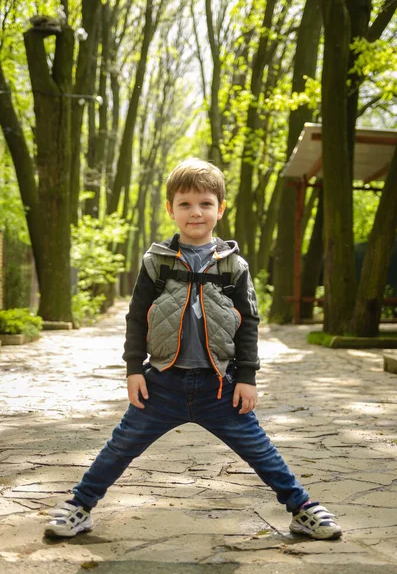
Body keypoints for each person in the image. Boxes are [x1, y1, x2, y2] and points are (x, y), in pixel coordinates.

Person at [44, 158, 342, 541]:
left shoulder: (234, 266)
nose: (195, 212)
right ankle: (79, 506)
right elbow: (136, 318)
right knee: (119, 448)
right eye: (184, 204)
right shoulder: (156, 263)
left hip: (220, 386)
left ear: (220, 209)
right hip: (163, 384)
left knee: (261, 452)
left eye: (204, 203)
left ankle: (302, 509)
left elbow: (248, 323)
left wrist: (247, 378)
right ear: (171, 210)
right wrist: (134, 368)